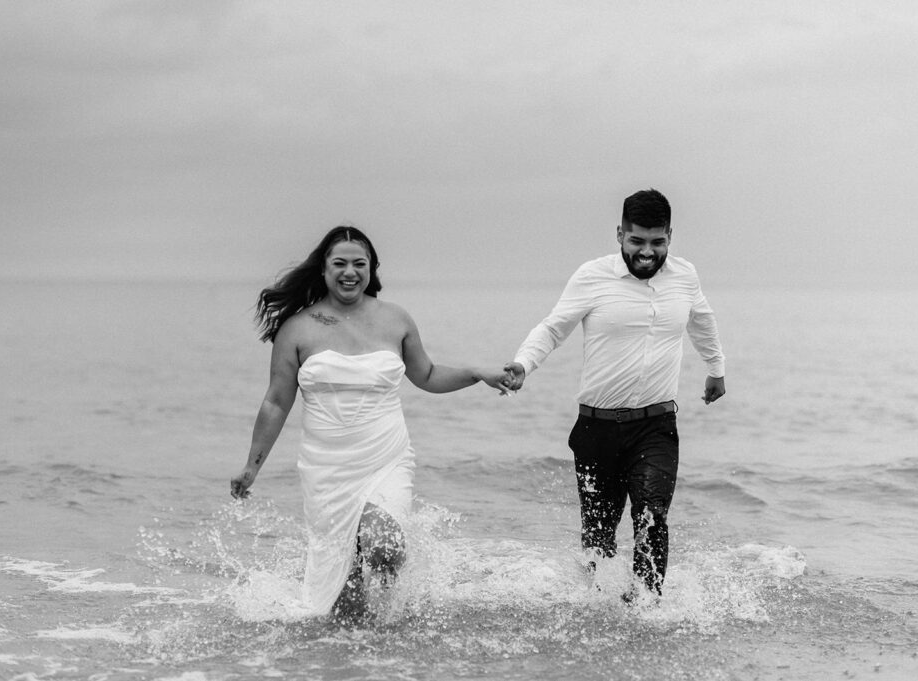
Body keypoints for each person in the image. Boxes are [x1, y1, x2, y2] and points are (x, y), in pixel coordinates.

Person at [231, 225, 511, 623]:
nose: (350, 272)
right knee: (343, 611)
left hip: (385, 458)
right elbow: (276, 402)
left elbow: (427, 376)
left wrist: (477, 373)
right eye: (339, 263)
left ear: (371, 269)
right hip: (327, 469)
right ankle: (367, 645)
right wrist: (251, 466)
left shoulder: (395, 319)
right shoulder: (297, 328)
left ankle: (396, 605)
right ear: (324, 270)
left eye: (358, 263)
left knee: (385, 548)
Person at [503, 189, 726, 598]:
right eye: (637, 241)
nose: (647, 252)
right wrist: (523, 364)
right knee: (599, 538)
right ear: (620, 234)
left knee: (652, 516)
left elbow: (702, 319)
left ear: (670, 237)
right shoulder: (592, 276)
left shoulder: (685, 276)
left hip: (656, 425)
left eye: (657, 242)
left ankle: (648, 612)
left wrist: (716, 368)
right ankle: (601, 610)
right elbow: (554, 328)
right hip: (597, 428)